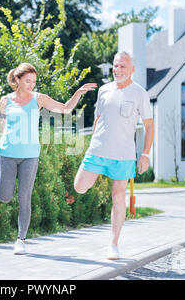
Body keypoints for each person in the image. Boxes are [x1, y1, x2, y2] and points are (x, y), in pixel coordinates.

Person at [0, 63, 96, 255]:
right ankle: (16, 229)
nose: (31, 85)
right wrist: (5, 143)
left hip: (30, 156)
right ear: (17, 80)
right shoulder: (4, 101)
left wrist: (78, 93)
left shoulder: (38, 98)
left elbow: (66, 109)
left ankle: (21, 240)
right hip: (7, 154)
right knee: (5, 196)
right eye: (27, 81)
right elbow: (3, 125)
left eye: (33, 81)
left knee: (24, 197)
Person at [73, 51, 154, 260]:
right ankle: (99, 174)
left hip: (123, 155)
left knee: (118, 197)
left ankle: (113, 244)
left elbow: (149, 126)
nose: (117, 70)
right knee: (79, 187)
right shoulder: (104, 90)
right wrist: (93, 142)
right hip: (98, 151)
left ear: (132, 69)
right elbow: (98, 118)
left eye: (122, 66)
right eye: (115, 66)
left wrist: (145, 154)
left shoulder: (140, 93)